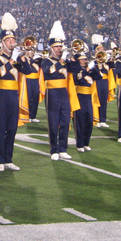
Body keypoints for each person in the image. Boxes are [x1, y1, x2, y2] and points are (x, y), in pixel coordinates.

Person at [0, 12, 32, 170]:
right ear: (3, 42)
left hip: (14, 95)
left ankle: (8, 159)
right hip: (1, 94)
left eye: (14, 39)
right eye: (9, 40)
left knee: (12, 128)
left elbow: (28, 71)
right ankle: (0, 160)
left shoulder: (16, 57)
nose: (13, 42)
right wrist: (13, 60)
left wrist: (22, 59)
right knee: (1, 127)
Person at [41, 21, 74, 160]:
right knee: (53, 121)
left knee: (65, 121)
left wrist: (75, 58)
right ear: (51, 48)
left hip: (64, 93)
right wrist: (61, 62)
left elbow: (76, 70)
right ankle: (54, 149)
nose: (60, 49)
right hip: (52, 93)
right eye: (57, 47)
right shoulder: (46, 60)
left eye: (61, 46)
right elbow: (50, 72)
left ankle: (63, 148)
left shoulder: (66, 61)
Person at [71, 51, 101, 152]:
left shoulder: (91, 70)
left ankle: (86, 142)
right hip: (79, 96)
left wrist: (96, 66)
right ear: (78, 61)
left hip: (88, 97)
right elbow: (77, 78)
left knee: (89, 120)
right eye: (82, 59)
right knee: (79, 121)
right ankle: (79, 144)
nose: (84, 61)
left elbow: (99, 77)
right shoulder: (76, 69)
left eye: (85, 59)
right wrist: (87, 69)